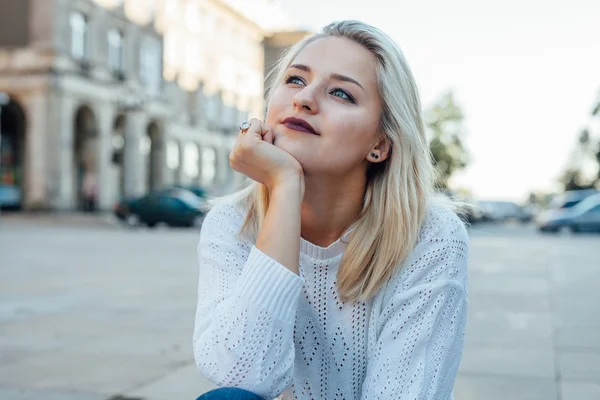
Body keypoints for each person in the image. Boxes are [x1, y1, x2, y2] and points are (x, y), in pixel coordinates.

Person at [194, 20, 469, 400]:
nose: (304, 98)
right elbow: (239, 374)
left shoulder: (430, 235)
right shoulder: (233, 223)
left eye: (341, 93)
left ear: (380, 144)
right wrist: (285, 186)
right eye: (294, 79)